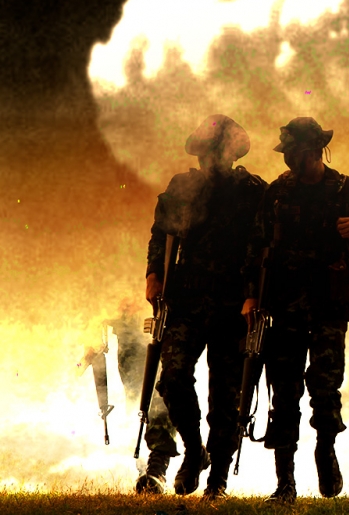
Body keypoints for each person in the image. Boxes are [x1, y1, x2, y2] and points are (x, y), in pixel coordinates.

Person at [242, 116, 349, 503]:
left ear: (314, 151)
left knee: (325, 388)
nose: (288, 160)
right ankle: (285, 483)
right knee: (284, 393)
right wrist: (251, 295)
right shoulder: (278, 192)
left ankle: (326, 451)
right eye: (286, 154)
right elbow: (256, 246)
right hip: (283, 308)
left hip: (327, 309)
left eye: (294, 153)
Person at [146, 114, 267, 499]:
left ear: (230, 154)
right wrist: (153, 274)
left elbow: (262, 248)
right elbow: (161, 233)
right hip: (188, 298)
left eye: (214, 151)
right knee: (173, 376)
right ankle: (194, 449)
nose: (208, 159)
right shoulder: (182, 186)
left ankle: (218, 480)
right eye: (204, 152)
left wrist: (254, 295)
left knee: (226, 396)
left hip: (234, 303)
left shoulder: (252, 192)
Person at [105, 298, 181, 494]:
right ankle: (145, 466)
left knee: (162, 396)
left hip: (167, 317)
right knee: (138, 400)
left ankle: (156, 467)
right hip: (128, 326)